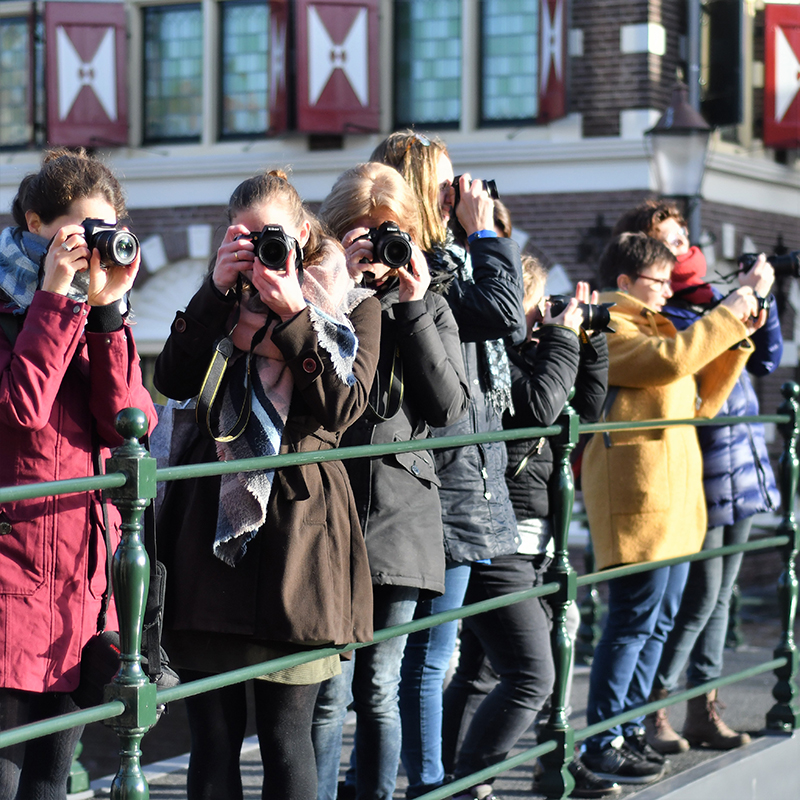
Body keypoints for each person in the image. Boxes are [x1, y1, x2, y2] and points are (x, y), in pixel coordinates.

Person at [153, 170, 380, 800]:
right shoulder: (219, 304)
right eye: (244, 240)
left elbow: (339, 409)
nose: (260, 252)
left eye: (270, 237)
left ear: (302, 233)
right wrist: (214, 291)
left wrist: (290, 312)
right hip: (207, 536)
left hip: (298, 546)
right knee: (215, 743)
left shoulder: (352, 303)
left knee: (286, 741)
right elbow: (173, 379)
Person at [371, 130, 526, 798]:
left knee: (439, 658)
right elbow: (504, 313)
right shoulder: (424, 265)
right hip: (448, 481)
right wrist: (486, 232)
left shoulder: (444, 263)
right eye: (446, 183)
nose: (460, 193)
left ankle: (422, 778)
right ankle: (427, 783)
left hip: (477, 482)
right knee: (426, 660)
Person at [579, 232, 766, 785]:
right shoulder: (605, 322)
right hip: (639, 502)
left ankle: (631, 727)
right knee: (632, 622)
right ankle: (602, 739)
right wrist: (727, 311)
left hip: (673, 503)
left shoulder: (657, 327)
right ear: (624, 283)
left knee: (657, 623)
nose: (665, 291)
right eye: (657, 281)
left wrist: (734, 339)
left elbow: (702, 399)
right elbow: (669, 363)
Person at [0, 148, 156, 798]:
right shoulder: (17, 311)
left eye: (106, 232)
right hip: (11, 591)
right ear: (35, 224)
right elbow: (21, 409)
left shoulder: (93, 320)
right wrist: (54, 300)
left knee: (49, 787)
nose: (92, 249)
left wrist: (110, 314)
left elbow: (129, 423)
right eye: (78, 232)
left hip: (77, 602)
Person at [310, 162, 469, 800]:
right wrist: (336, 283)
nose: (378, 251)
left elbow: (450, 412)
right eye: (361, 235)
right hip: (325, 514)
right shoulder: (314, 291)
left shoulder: (426, 306)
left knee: (378, 688)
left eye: (389, 236)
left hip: (400, 521)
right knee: (327, 689)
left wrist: (412, 307)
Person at [442, 256, 615, 800]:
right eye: (541, 303)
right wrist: (561, 339)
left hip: (539, 545)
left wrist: (590, 340)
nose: (546, 313)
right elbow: (538, 408)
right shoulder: (495, 361)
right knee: (531, 674)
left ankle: (489, 773)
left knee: (483, 670)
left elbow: (582, 411)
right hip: (500, 539)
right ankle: (471, 778)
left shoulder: (540, 356)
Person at [613, 200, 782, 752]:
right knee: (692, 601)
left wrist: (760, 301)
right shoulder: (666, 315)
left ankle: (701, 706)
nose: (682, 243)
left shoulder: (710, 300)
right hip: (700, 467)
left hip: (737, 462)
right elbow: (686, 357)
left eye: (684, 233)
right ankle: (650, 713)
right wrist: (739, 303)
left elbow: (765, 359)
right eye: (669, 236)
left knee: (720, 595)